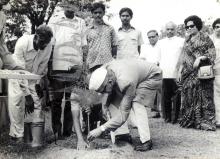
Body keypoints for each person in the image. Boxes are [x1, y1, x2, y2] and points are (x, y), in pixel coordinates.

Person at [87, 58, 162, 151]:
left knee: (136, 103)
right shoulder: (104, 70)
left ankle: (146, 141)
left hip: (152, 76)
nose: (104, 93)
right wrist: (104, 105)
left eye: (103, 91)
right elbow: (106, 95)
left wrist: (101, 129)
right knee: (111, 104)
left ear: (110, 82)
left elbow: (123, 114)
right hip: (134, 74)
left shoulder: (126, 82)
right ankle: (123, 134)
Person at [48, 4, 88, 149]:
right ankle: (56, 132)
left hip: (75, 66)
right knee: (57, 100)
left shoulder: (81, 22)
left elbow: (84, 45)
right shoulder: (55, 19)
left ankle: (67, 131)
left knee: (72, 100)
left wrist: (83, 65)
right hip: (58, 65)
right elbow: (50, 43)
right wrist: (49, 64)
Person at [8, 25, 53, 143]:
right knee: (17, 103)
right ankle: (17, 136)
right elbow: (19, 71)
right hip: (16, 75)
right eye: (42, 42)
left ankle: (33, 136)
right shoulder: (22, 43)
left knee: (37, 103)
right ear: (36, 36)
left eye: (46, 43)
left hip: (33, 77)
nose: (43, 46)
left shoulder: (47, 46)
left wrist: (38, 83)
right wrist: (27, 95)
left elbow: (43, 66)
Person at [176, 15, 216, 130]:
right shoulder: (187, 40)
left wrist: (200, 58)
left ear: (197, 25)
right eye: (186, 27)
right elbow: (183, 57)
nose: (188, 29)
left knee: (204, 98)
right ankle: (191, 121)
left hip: (202, 73)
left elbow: (212, 54)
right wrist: (179, 71)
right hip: (188, 73)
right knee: (189, 97)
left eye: (191, 26)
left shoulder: (205, 37)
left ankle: (205, 123)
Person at [159, 22, 184, 123]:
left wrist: (180, 70)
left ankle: (175, 117)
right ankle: (167, 116)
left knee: (177, 96)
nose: (170, 31)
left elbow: (182, 58)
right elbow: (159, 58)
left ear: (176, 29)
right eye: (168, 29)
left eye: (172, 29)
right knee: (166, 96)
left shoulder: (181, 41)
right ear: (165, 30)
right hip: (164, 72)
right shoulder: (161, 42)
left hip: (176, 72)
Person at [86, 2, 117, 72]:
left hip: (107, 63)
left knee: (107, 82)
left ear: (103, 13)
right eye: (95, 12)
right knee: (93, 82)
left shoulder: (110, 28)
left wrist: (113, 58)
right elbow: (85, 47)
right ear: (92, 14)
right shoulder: (87, 29)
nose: (98, 15)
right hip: (92, 63)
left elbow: (114, 45)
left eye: (100, 12)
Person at [140, 30, 161, 118]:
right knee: (149, 89)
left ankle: (158, 110)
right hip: (148, 70)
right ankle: (152, 109)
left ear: (157, 36)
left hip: (159, 69)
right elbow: (141, 58)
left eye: (153, 37)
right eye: (149, 37)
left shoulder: (161, 45)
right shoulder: (144, 46)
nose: (151, 39)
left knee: (159, 90)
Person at [211, 18, 220, 127]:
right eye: (217, 27)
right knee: (215, 96)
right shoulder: (210, 40)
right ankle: (218, 120)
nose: (219, 29)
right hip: (213, 71)